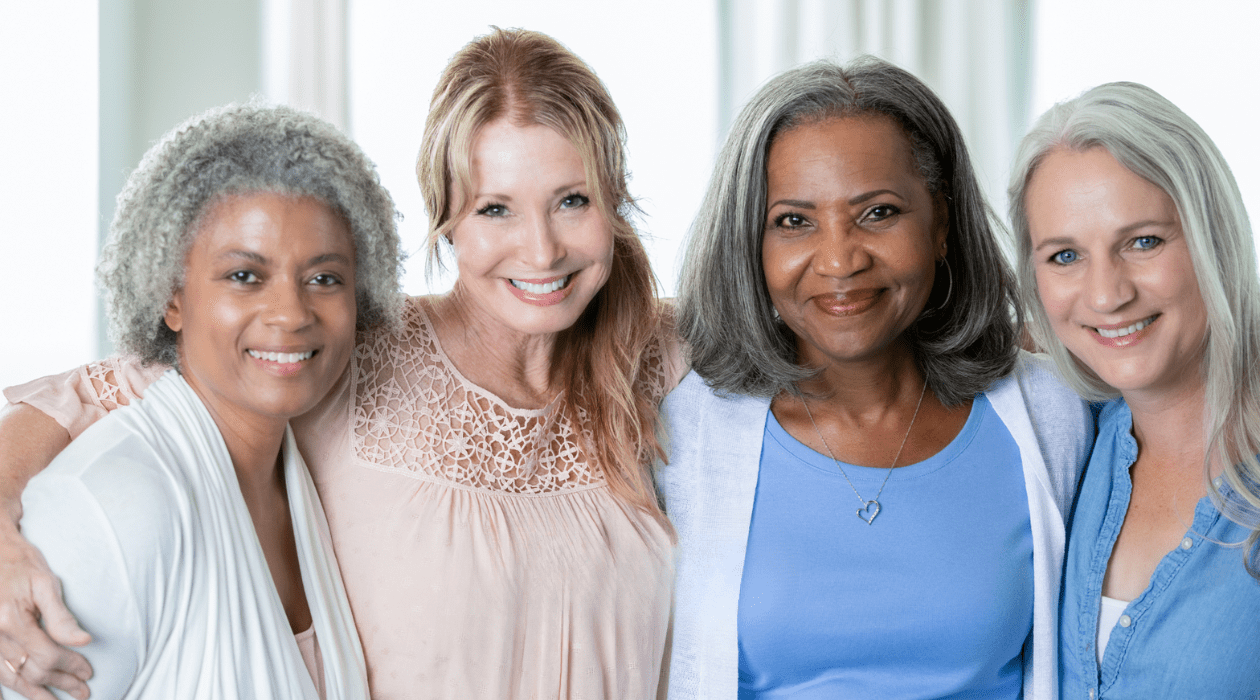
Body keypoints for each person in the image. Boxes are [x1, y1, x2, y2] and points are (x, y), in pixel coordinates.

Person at [0, 28, 682, 700]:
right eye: (495, 208)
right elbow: (104, 392)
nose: (540, 252)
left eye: (572, 201)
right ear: (446, 220)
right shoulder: (352, 348)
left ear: (614, 203)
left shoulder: (657, 358)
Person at [656, 57, 1093, 700]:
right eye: (794, 221)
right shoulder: (680, 432)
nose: (839, 259)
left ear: (941, 223)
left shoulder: (1053, 414)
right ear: (751, 244)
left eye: (878, 212)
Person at [0, 102, 403, 699]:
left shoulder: (305, 474)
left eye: (324, 278)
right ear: (171, 298)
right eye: (245, 275)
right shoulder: (117, 509)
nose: (291, 314)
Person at [1009, 82, 1260, 698]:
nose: (1106, 295)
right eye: (1064, 256)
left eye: (1143, 241)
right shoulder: (1072, 434)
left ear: (1210, 236)